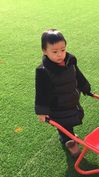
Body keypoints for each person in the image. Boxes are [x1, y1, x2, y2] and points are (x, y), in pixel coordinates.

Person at [35, 29, 92, 157]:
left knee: (71, 119)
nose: (60, 54)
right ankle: (69, 141)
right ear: (44, 51)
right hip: (57, 105)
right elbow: (41, 92)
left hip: (72, 100)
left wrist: (85, 88)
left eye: (63, 49)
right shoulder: (43, 71)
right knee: (63, 123)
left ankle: (68, 135)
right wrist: (41, 110)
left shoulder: (70, 61)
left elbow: (78, 75)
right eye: (54, 52)